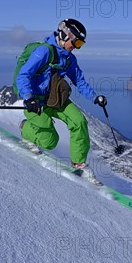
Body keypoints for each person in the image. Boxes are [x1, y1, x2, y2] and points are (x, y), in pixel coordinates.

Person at [14, 18, 106, 179]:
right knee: (50, 142)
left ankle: (78, 164)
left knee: (79, 121)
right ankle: (25, 127)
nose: (76, 47)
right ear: (64, 35)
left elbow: (79, 81)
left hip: (54, 99)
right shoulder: (43, 52)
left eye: (80, 45)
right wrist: (28, 98)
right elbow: (23, 76)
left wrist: (95, 97)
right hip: (36, 101)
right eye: (76, 43)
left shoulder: (69, 58)